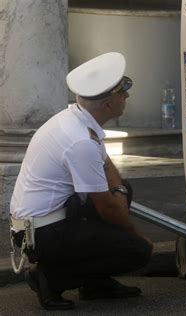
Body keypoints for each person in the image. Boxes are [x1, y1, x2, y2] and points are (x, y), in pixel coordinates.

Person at [9, 52, 153, 310]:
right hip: (42, 233)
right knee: (138, 251)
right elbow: (107, 207)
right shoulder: (80, 141)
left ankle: (95, 284)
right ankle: (49, 278)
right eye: (122, 92)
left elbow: (106, 163)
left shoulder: (75, 118)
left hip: (43, 221)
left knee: (123, 190)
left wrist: (118, 191)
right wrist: (136, 234)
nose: (127, 96)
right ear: (107, 105)